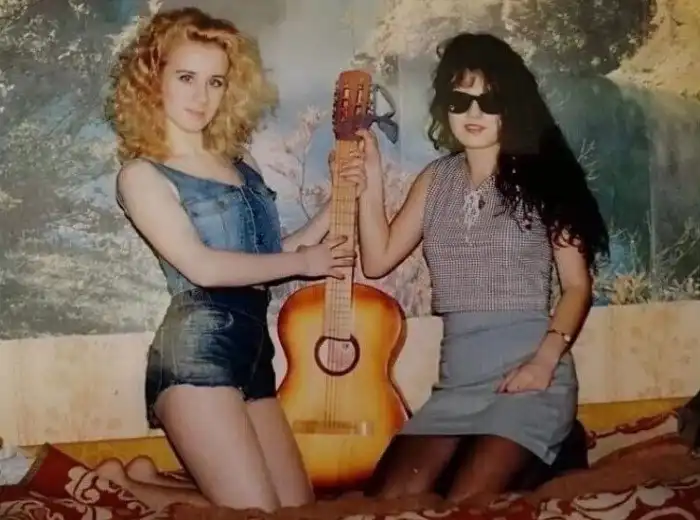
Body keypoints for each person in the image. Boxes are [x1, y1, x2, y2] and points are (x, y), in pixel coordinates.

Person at [97, 6, 365, 513]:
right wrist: (306, 263)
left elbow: (269, 257)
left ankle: (139, 483)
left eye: (215, 81)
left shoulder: (242, 165)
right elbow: (205, 267)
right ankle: (129, 488)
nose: (201, 96)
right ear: (153, 79)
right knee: (256, 513)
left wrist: (337, 204)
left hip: (253, 352)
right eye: (186, 77)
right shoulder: (142, 175)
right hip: (195, 353)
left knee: (297, 510)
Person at [340, 32, 609, 503]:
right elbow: (378, 260)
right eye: (460, 100)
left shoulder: (545, 177)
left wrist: (544, 362)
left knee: (466, 504)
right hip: (457, 387)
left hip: (528, 379)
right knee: (388, 504)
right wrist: (373, 177)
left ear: (512, 107)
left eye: (489, 101)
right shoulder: (435, 180)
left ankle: (556, 440)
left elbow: (576, 286)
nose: (474, 113)